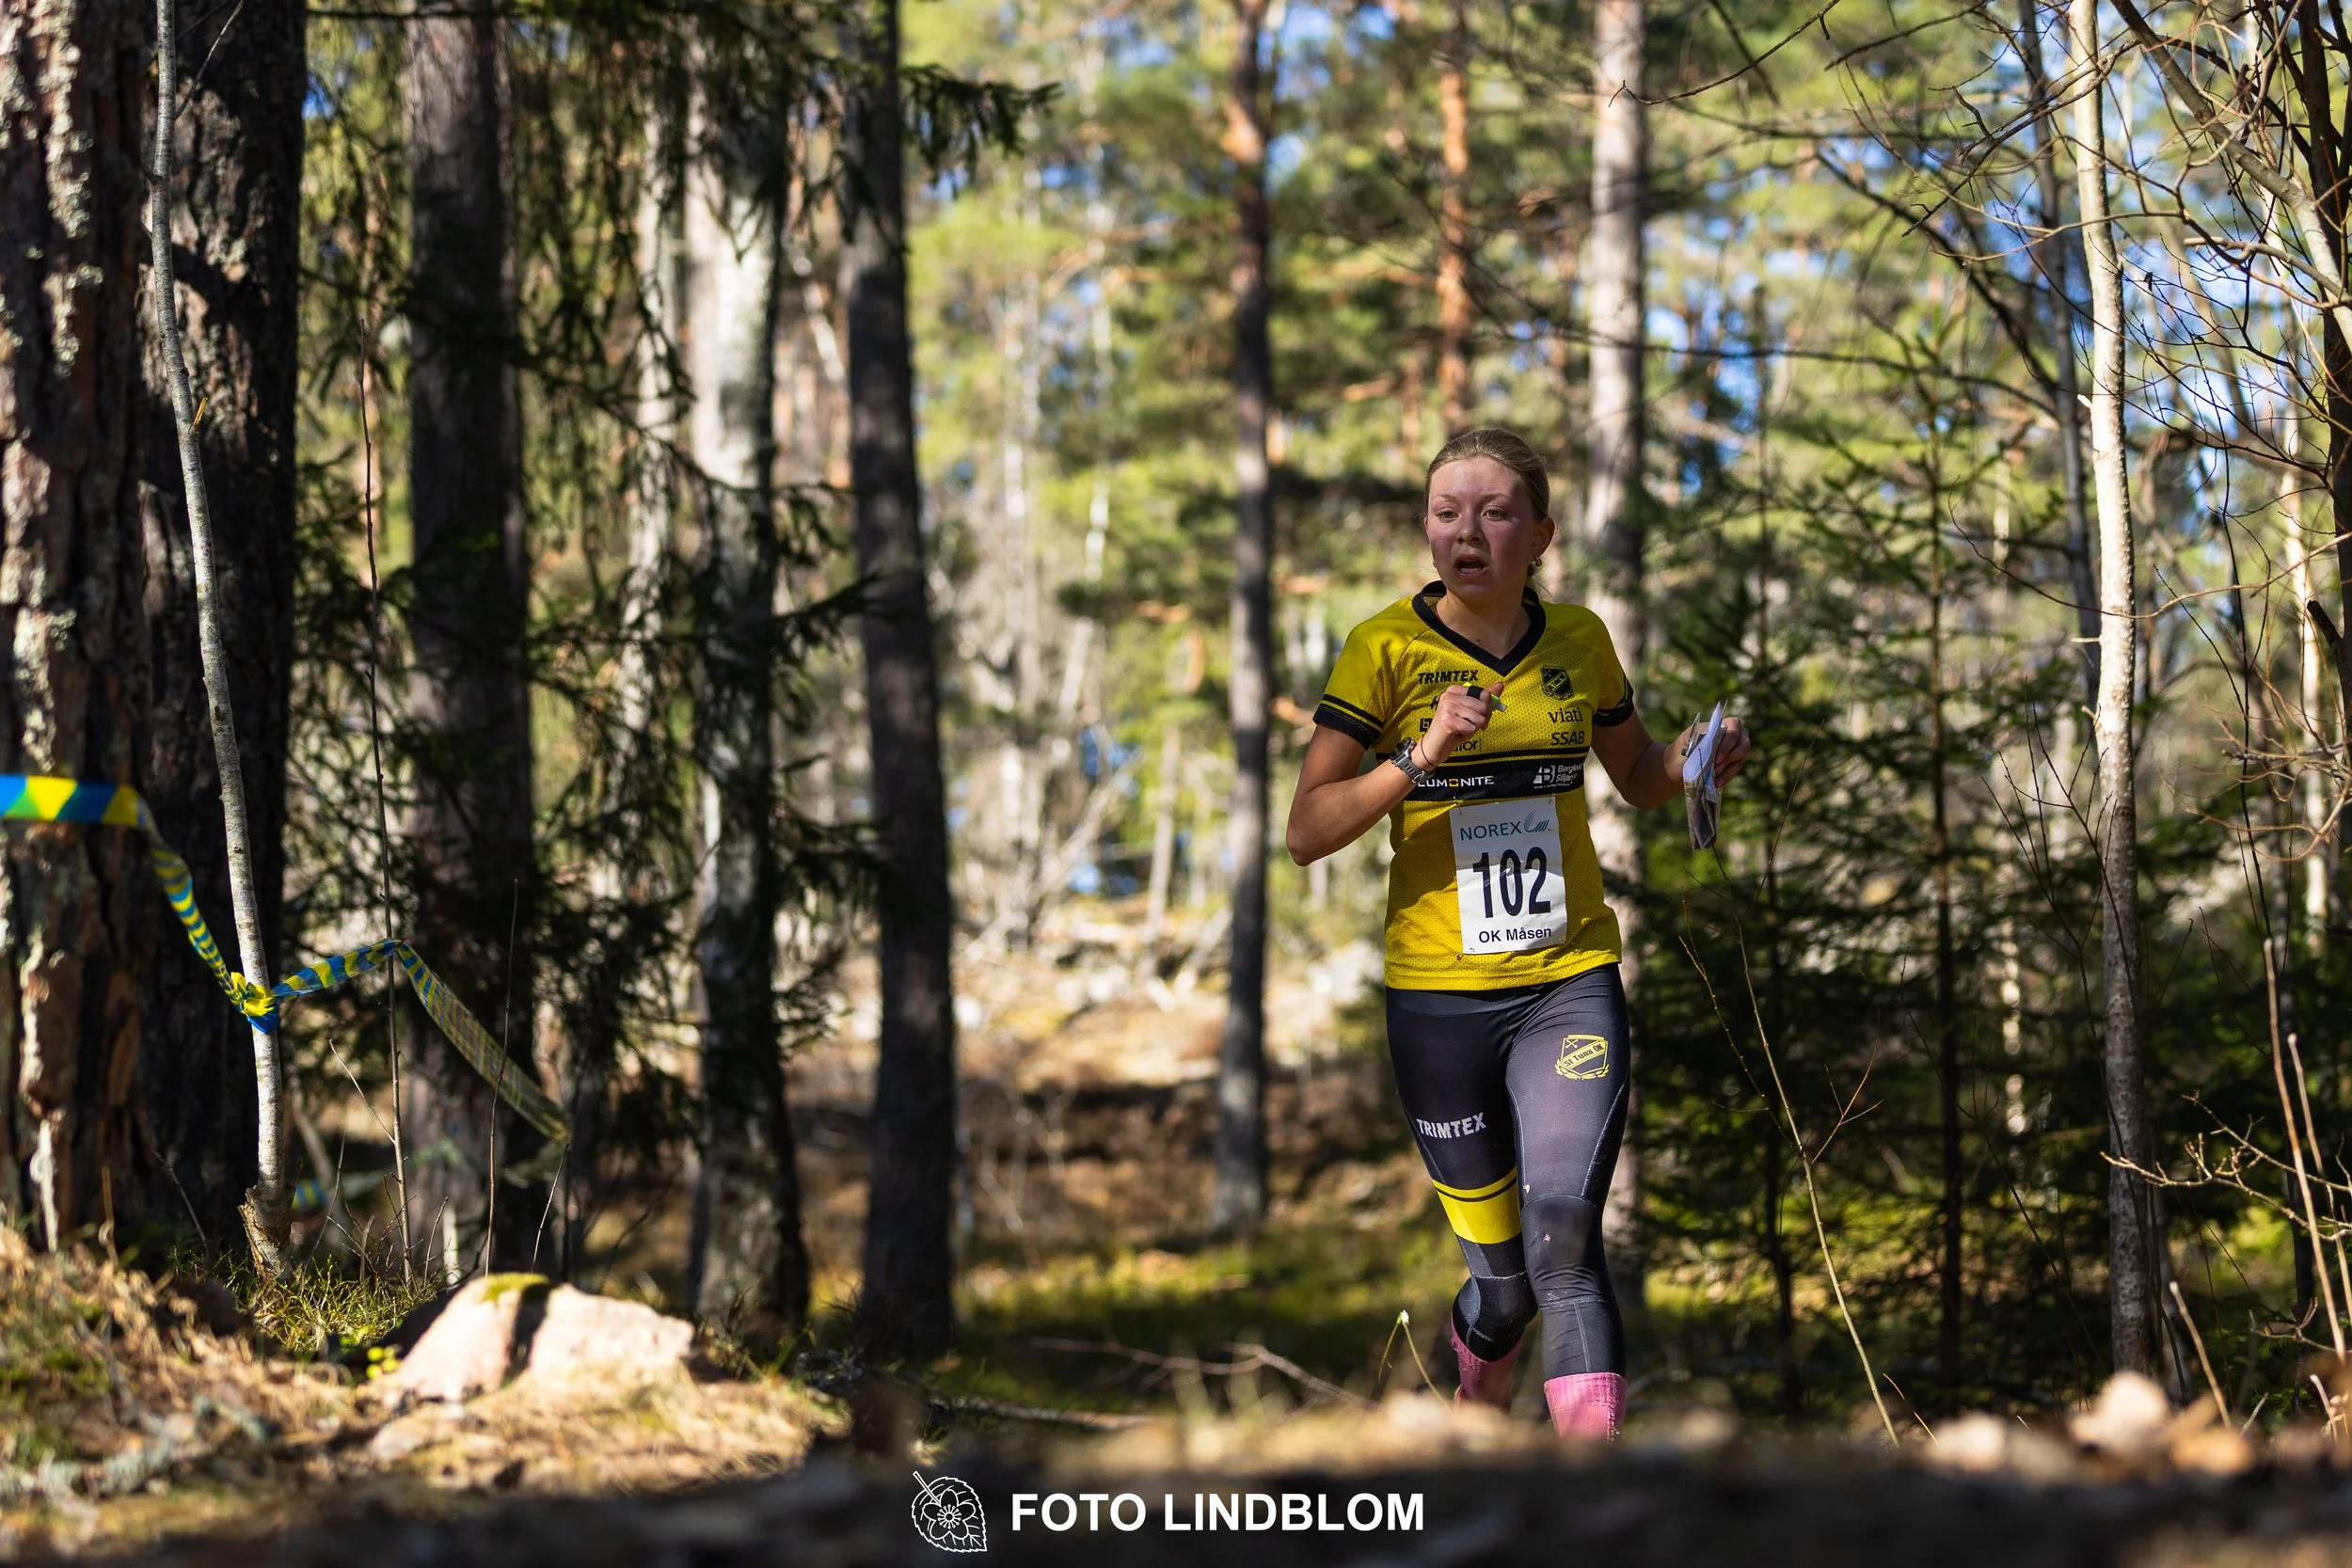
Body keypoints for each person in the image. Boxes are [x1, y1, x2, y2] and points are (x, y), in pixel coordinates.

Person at [1285, 428, 1752, 1440]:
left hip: (1566, 983)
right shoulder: (1384, 648)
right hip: (1438, 1002)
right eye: (1446, 512)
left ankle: (1597, 1498)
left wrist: (1702, 756)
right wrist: (1420, 751)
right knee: (1502, 1291)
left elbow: (1637, 777)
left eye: (1495, 512)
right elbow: (1306, 832)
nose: (1467, 532)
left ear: (1539, 533)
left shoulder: (1579, 640)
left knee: (1564, 1246)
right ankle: (1480, 1391)